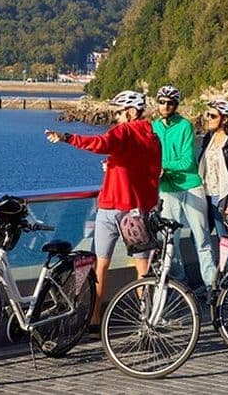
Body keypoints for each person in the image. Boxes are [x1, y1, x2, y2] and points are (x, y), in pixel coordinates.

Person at [45, 90, 161, 333]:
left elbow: (100, 143)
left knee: (100, 266)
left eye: (118, 112)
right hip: (137, 211)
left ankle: (95, 316)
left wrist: (67, 137)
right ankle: (146, 318)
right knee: (142, 268)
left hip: (111, 208)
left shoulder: (124, 131)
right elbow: (150, 174)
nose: (115, 117)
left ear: (130, 112)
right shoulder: (152, 138)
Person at [152, 85, 216, 297]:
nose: (165, 106)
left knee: (202, 238)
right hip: (166, 189)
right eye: (162, 102)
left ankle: (211, 286)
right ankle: (180, 284)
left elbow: (188, 161)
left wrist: (161, 166)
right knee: (170, 241)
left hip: (191, 185)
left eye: (170, 103)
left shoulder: (185, 126)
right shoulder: (153, 127)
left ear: (176, 105)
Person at [197, 98, 228, 237]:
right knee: (199, 234)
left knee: (224, 237)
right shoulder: (209, 138)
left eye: (213, 116)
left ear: (224, 119)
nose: (208, 119)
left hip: (222, 196)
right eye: (208, 115)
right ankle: (209, 260)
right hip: (205, 193)